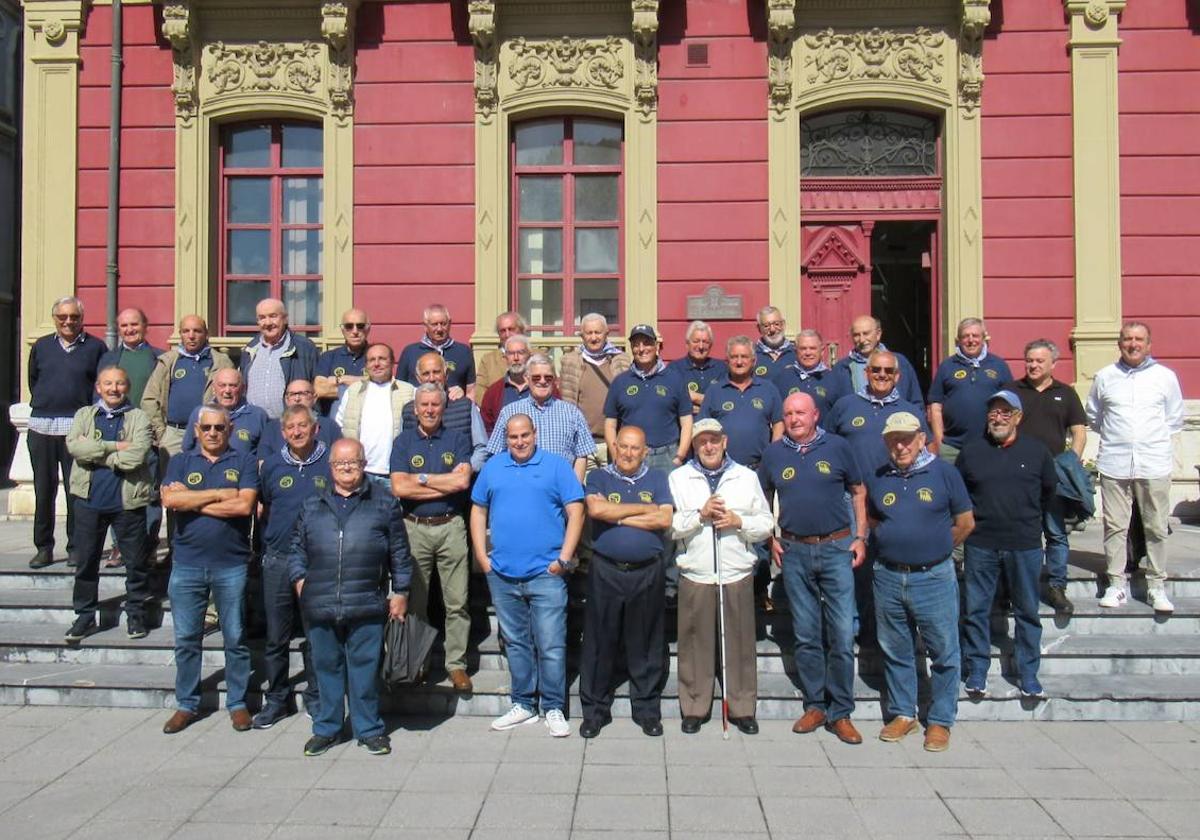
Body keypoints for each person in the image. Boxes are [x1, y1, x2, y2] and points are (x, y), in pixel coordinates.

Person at [289, 438, 413, 757]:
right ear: (330, 467)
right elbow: (296, 550)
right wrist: (300, 581)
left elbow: (400, 552)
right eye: (341, 463)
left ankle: (368, 729)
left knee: (364, 669)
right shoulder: (312, 504)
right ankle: (327, 728)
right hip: (321, 600)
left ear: (364, 464)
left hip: (366, 600)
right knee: (326, 667)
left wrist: (400, 591)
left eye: (353, 462)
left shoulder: (384, 503)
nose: (347, 468)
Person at [759, 392, 867, 744]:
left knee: (839, 633)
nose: (794, 419)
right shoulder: (774, 453)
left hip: (836, 548)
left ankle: (841, 712)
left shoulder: (838, 447)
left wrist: (860, 535)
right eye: (788, 413)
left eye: (800, 413)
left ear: (816, 415)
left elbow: (858, 491)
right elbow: (760, 499)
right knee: (805, 634)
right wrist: (768, 537)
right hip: (794, 551)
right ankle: (816, 704)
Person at [470, 414, 584, 737]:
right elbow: (478, 510)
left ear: (535, 434)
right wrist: (482, 557)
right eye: (512, 437)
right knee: (516, 643)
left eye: (524, 435)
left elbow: (577, 511)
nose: (519, 442)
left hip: (546, 573)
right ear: (505, 439)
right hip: (503, 573)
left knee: (550, 643)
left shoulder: (556, 466)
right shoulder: (494, 467)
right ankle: (523, 703)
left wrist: (563, 558)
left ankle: (552, 706)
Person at [866, 412, 973, 752]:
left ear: (920, 438)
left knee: (943, 649)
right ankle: (902, 713)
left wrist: (937, 547)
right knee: (896, 649)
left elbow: (965, 522)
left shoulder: (944, 472)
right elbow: (872, 517)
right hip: (888, 576)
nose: (900, 445)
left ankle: (940, 720)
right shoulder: (880, 477)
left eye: (906, 439)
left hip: (933, 577)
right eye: (893, 440)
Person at [669, 418, 774, 735]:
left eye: (714, 440)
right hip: (697, 571)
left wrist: (738, 521)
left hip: (735, 571)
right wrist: (697, 516)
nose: (709, 447)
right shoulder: (679, 477)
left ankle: (742, 708)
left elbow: (766, 523)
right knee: (694, 643)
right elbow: (669, 524)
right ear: (695, 445)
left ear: (724, 441)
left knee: (740, 642)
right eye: (702, 442)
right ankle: (695, 706)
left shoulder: (745, 476)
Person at [160, 405, 259, 735]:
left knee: (235, 637)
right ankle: (186, 704)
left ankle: (238, 703)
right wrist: (217, 494)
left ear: (229, 429)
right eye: (207, 428)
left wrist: (193, 499)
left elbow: (243, 506)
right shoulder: (181, 461)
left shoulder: (243, 461)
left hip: (231, 565)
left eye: (220, 427)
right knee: (187, 639)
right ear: (197, 431)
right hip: (187, 564)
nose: (214, 433)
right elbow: (171, 502)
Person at [956, 391, 1057, 700]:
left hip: (1024, 544)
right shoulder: (971, 452)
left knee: (1027, 610)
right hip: (982, 543)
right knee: (976, 610)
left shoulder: (1037, 452)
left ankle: (1028, 673)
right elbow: (958, 497)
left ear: (1017, 417)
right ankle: (976, 670)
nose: (997, 418)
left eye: (1004, 412)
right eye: (992, 413)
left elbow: (1048, 493)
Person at [579, 426, 674, 738]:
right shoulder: (599, 477)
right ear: (614, 447)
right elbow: (596, 509)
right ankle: (594, 711)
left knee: (646, 643)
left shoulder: (658, 479)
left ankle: (646, 710)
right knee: (598, 641)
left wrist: (616, 516)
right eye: (623, 447)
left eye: (635, 448)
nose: (628, 453)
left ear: (645, 451)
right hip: (606, 570)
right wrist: (643, 509)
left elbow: (664, 519)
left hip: (647, 572)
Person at [1087, 321, 1184, 612]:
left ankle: (1156, 586)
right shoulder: (1105, 377)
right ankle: (1116, 584)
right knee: (1115, 526)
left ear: (1149, 344)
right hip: (1115, 461)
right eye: (1127, 339)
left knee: (1155, 527)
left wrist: (1149, 442)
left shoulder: (1165, 377)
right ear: (1120, 343)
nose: (1133, 344)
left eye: (1139, 339)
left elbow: (1174, 418)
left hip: (1153, 462)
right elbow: (1095, 416)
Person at [390, 383, 475, 694]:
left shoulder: (457, 439)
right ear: (415, 409)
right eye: (423, 405)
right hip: (413, 527)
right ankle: (417, 663)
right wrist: (443, 480)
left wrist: (421, 478)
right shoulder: (403, 442)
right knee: (416, 602)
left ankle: (457, 665)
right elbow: (399, 487)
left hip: (451, 525)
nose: (429, 410)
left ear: (443, 408)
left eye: (435, 405)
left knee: (458, 602)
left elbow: (462, 481)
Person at [254, 404, 331, 729]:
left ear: (315, 429)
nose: (297, 432)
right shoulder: (271, 466)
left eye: (303, 426)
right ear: (283, 432)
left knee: (316, 634)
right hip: (279, 558)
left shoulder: (329, 464)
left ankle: (316, 695)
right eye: (291, 428)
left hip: (317, 562)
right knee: (277, 636)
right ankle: (277, 698)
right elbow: (264, 508)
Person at [63, 366, 155, 641]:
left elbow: (136, 456)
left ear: (127, 387)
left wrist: (97, 450)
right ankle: (85, 615)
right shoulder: (84, 415)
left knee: (135, 563)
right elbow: (75, 447)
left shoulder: (138, 417)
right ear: (98, 388)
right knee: (86, 561)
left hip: (127, 502)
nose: (114, 389)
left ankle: (136, 614)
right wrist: (116, 447)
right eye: (108, 384)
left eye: (119, 384)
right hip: (89, 500)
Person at [141, 315, 234, 565]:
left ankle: (205, 544)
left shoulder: (220, 361)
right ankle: (175, 546)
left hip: (210, 434)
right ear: (179, 334)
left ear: (206, 333)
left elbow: (230, 393)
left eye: (196, 331)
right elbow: (149, 400)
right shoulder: (168, 361)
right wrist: (161, 433)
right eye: (186, 331)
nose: (191, 336)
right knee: (174, 491)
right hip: (173, 434)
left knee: (204, 487)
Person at [1007, 339, 1088, 614]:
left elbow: (1079, 432)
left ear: (1053, 363)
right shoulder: (1011, 392)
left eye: (1039, 361)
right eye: (1029, 360)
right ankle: (1016, 587)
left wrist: (1070, 463)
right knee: (1020, 534)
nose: (1033, 365)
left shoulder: (1065, 393)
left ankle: (1057, 588)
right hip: (1018, 479)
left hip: (1053, 477)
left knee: (1055, 534)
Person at [27, 296, 107, 569]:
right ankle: (44, 547)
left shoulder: (96, 347)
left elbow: (101, 386)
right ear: (55, 319)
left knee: (78, 492)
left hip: (77, 429)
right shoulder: (41, 346)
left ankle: (76, 548)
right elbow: (33, 380)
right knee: (43, 490)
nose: (68, 322)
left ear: (81, 319)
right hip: (42, 427)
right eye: (63, 317)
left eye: (74, 317)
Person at [97, 308, 165, 564]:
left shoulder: (159, 358)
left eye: (134, 324)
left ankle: (147, 545)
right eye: (124, 325)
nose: (129, 329)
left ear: (145, 325)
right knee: (119, 492)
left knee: (149, 493)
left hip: (148, 437)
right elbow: (99, 396)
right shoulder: (109, 358)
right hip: (117, 436)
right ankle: (120, 546)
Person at [487, 355, 595, 482]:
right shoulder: (508, 412)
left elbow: (582, 454)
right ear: (527, 379)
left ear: (555, 380)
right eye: (536, 377)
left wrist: (574, 488)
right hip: (520, 486)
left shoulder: (572, 413)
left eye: (548, 377)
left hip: (560, 489)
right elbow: (496, 454)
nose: (542, 381)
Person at [605, 324, 693, 473]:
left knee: (667, 497)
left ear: (656, 346)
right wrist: (616, 456)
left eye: (647, 343)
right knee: (631, 497)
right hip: (630, 456)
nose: (641, 349)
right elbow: (610, 425)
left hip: (666, 456)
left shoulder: (675, 379)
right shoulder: (620, 382)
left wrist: (680, 456)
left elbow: (686, 422)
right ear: (631, 348)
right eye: (636, 344)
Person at [826, 349, 928, 474]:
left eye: (889, 370)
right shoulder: (844, 406)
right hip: (852, 489)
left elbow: (927, 450)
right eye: (876, 369)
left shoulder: (911, 411)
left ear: (897, 376)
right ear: (866, 373)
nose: (882, 374)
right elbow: (826, 446)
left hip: (896, 487)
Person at [334, 344, 416, 489]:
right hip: (361, 473)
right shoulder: (353, 391)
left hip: (395, 473)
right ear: (366, 365)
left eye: (382, 359)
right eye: (371, 360)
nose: (376, 364)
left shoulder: (409, 391)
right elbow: (340, 427)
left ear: (392, 362)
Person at [927, 318, 1009, 460]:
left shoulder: (999, 365)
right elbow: (935, 407)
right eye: (965, 336)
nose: (971, 340)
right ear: (958, 340)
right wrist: (940, 441)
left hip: (990, 445)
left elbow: (1010, 404)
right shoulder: (946, 366)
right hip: (952, 448)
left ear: (984, 338)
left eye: (975, 336)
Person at [697, 335, 783, 469]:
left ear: (753, 361)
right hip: (723, 468)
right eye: (734, 357)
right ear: (727, 361)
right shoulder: (714, 391)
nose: (739, 361)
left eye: (744, 357)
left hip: (759, 468)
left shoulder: (768, 389)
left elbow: (778, 422)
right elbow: (702, 428)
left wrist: (773, 454)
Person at [559, 312, 631, 469]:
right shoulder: (570, 362)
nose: (593, 337)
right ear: (582, 336)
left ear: (606, 334)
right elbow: (567, 403)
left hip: (614, 441)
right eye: (589, 333)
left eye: (597, 332)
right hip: (584, 444)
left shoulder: (621, 360)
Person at [403, 352, 489, 471]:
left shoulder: (465, 406)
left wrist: (466, 470)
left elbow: (481, 447)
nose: (432, 378)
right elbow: (403, 450)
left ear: (446, 374)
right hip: (421, 484)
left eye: (436, 372)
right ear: (418, 378)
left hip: (460, 482)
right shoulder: (409, 411)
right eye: (426, 373)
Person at [239, 298, 319, 420]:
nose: (268, 322)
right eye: (262, 318)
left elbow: (317, 387)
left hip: (291, 425)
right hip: (255, 424)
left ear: (285, 318)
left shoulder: (304, 348)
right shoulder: (250, 349)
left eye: (273, 316)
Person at [831, 315, 923, 405]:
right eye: (856, 335)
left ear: (878, 334)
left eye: (866, 333)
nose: (862, 339)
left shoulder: (900, 362)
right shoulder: (841, 368)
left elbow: (915, 402)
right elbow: (833, 407)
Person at [396, 304, 476, 400]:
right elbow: (399, 389)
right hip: (419, 411)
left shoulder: (464, 352)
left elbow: (472, 390)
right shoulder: (410, 352)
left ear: (450, 323)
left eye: (443, 324)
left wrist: (463, 396)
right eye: (434, 324)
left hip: (454, 411)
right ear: (425, 326)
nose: (439, 329)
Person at [181, 368, 268, 455]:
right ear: (214, 388)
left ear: (243, 389)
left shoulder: (257, 416)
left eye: (233, 386)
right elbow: (187, 449)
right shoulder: (199, 413)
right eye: (222, 385)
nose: (227, 391)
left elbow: (264, 454)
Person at [257, 379, 342, 459]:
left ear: (314, 398)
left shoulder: (330, 427)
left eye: (303, 394)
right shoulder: (271, 428)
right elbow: (263, 463)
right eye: (292, 394)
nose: (297, 399)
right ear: (286, 399)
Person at [772, 329, 842, 421]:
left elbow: (841, 416)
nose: (808, 353)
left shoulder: (834, 379)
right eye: (803, 349)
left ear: (822, 351)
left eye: (812, 348)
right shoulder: (782, 379)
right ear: (796, 351)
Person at [314, 308, 371, 416]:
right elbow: (319, 389)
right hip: (334, 426)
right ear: (342, 329)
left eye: (360, 326)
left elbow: (380, 387)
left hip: (367, 423)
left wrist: (341, 379)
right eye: (349, 326)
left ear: (368, 329)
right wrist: (364, 383)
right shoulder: (328, 357)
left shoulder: (376, 357)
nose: (355, 331)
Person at [668, 320, 727, 415]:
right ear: (687, 344)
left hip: (715, 427)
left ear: (711, 345)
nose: (701, 346)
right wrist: (711, 404)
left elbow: (726, 401)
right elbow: (672, 403)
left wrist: (695, 397)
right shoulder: (674, 368)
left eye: (705, 342)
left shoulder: (721, 368)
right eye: (696, 341)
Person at [480, 333, 532, 434]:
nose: (516, 358)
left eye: (521, 353)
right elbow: (487, 429)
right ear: (505, 358)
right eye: (511, 353)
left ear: (529, 356)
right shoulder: (493, 392)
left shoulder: (542, 387)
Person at [475, 311, 528, 405]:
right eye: (502, 331)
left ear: (521, 330)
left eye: (511, 329)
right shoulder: (488, 360)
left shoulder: (537, 356)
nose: (507, 335)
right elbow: (480, 395)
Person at [752, 306, 796, 383]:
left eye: (776, 324)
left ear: (783, 325)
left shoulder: (797, 352)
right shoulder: (751, 354)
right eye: (766, 326)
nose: (772, 329)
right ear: (759, 328)